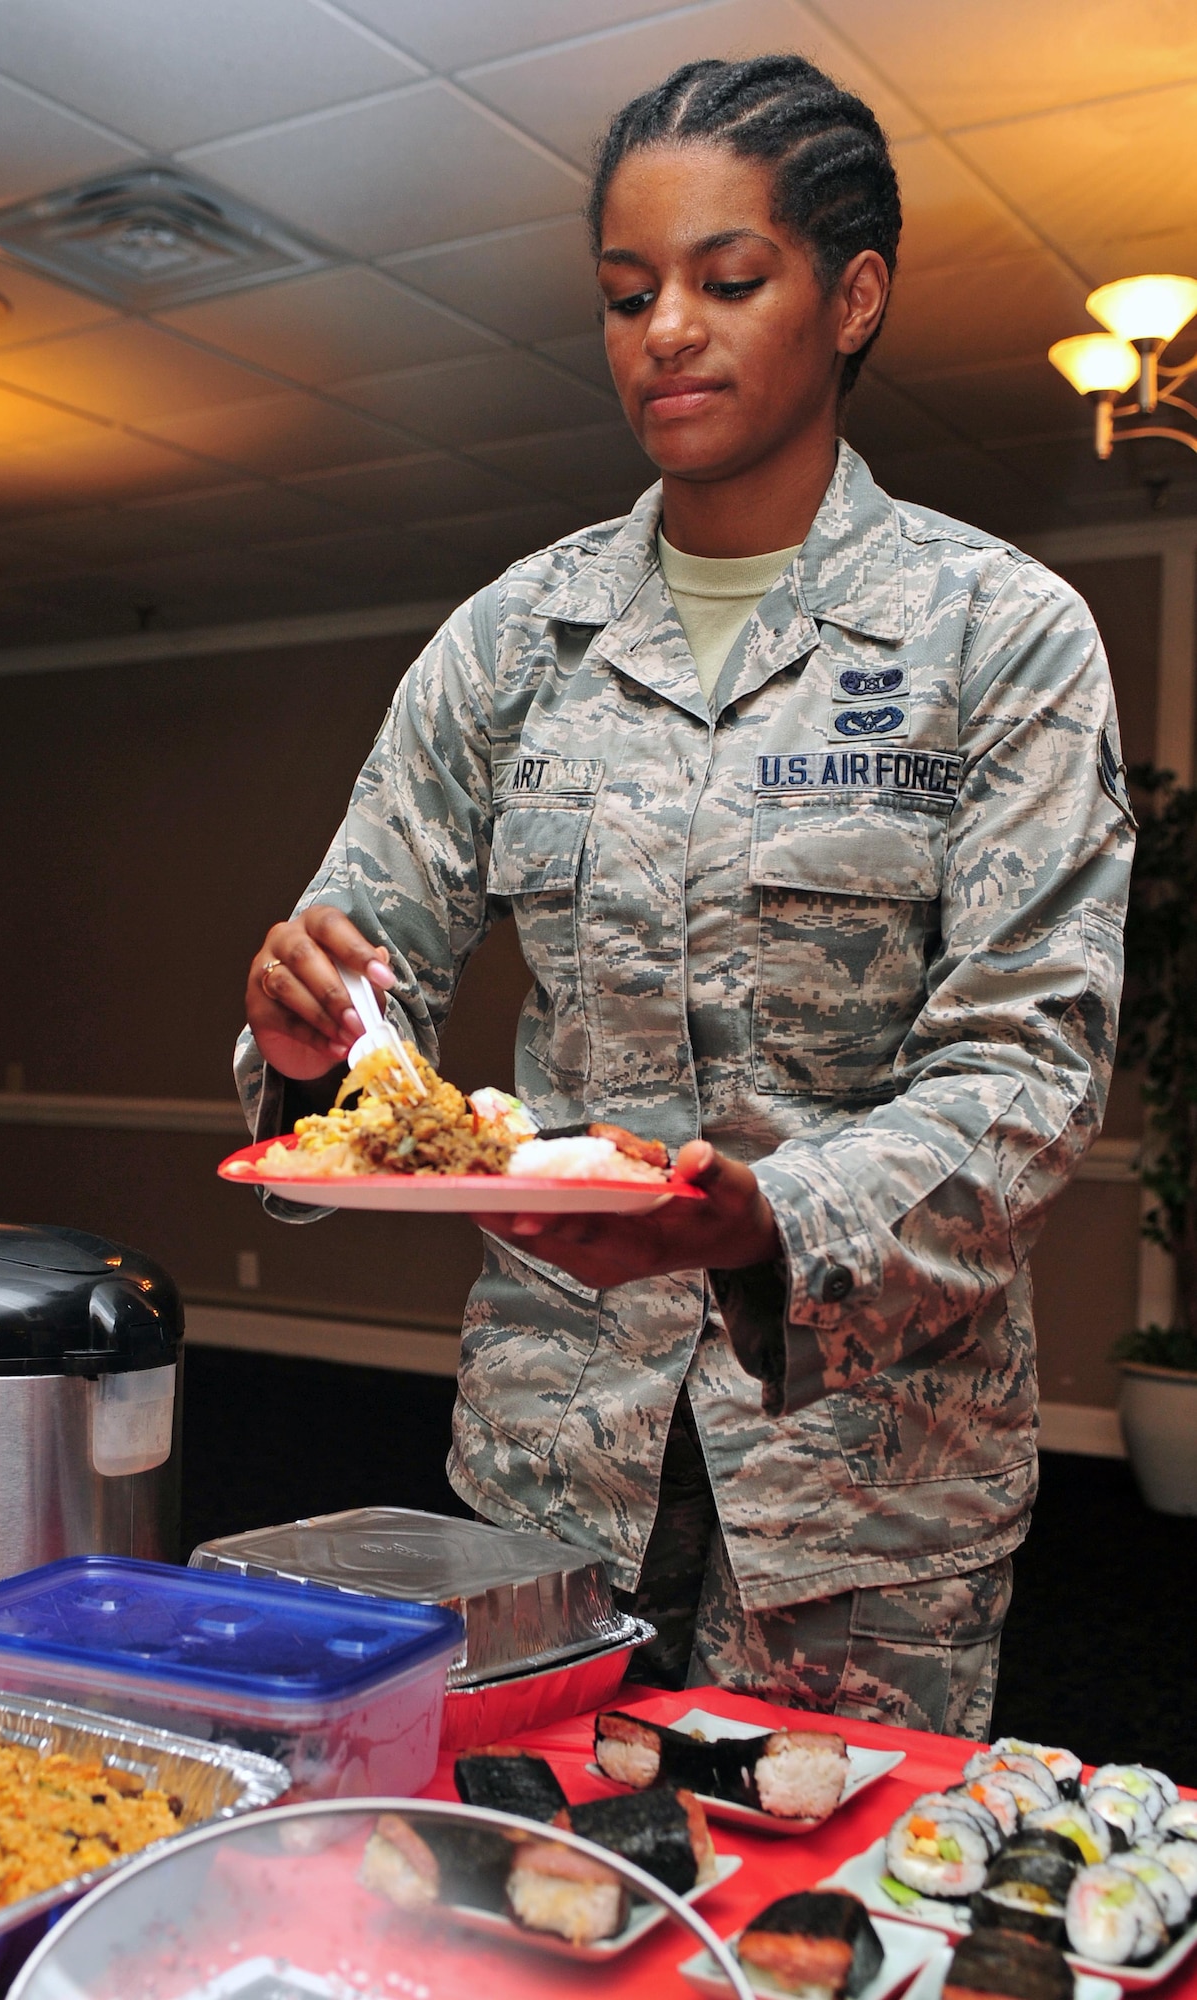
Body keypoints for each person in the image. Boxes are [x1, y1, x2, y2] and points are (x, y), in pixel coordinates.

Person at [236, 55, 1132, 1737]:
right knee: (524, 1902)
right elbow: (369, 1005)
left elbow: (1029, 1072)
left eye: (728, 282)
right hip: (549, 1466)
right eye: (628, 293)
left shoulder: (997, 636)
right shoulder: (515, 640)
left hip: (868, 1497)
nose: (667, 330)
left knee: (827, 1930)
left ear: (851, 297)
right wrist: (312, 1046)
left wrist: (770, 1220)